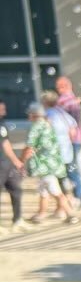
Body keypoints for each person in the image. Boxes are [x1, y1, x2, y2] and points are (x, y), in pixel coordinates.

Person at [22, 101, 78, 225]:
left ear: (34, 115)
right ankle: (40, 214)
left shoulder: (36, 127)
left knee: (55, 191)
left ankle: (70, 214)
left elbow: (29, 147)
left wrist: (21, 161)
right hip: (54, 164)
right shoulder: (48, 124)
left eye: (29, 114)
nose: (28, 116)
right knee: (43, 190)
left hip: (44, 165)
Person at [56, 76, 81, 204]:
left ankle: (80, 195)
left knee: (72, 167)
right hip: (78, 137)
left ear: (65, 87)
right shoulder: (72, 99)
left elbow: (69, 119)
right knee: (78, 165)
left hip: (71, 139)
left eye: (60, 87)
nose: (58, 90)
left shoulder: (64, 100)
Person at [0, 100, 28, 233]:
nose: (4, 112)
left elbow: (6, 143)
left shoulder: (2, 124)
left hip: (6, 163)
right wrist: (17, 161)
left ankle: (17, 220)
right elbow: (5, 145)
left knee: (16, 189)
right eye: (1, 109)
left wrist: (14, 162)